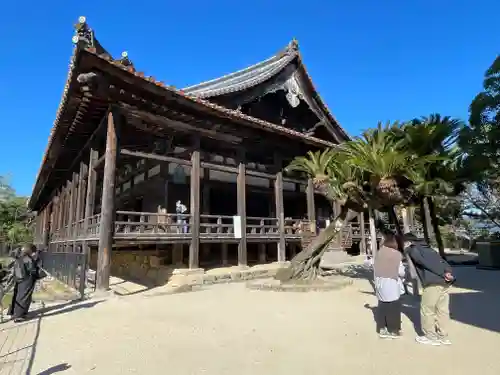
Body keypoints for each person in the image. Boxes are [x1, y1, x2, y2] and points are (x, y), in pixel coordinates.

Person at [403, 232, 455, 346]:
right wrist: (448, 272)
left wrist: (442, 273)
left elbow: (425, 263)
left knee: (427, 309)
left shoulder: (413, 249)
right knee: (442, 310)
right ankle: (443, 336)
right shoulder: (429, 249)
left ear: (408, 242)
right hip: (444, 283)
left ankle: (430, 336)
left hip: (433, 282)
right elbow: (443, 261)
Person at [373, 231, 406, 339]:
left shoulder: (379, 252)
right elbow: (401, 272)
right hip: (391, 282)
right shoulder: (397, 254)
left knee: (382, 305)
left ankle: (382, 328)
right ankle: (393, 330)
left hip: (379, 281)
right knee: (393, 306)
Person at [8, 244, 40, 323]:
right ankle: (19, 316)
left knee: (17, 295)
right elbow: (32, 270)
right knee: (24, 297)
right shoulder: (27, 258)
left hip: (19, 278)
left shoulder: (20, 257)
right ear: (31, 251)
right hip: (26, 279)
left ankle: (13, 312)